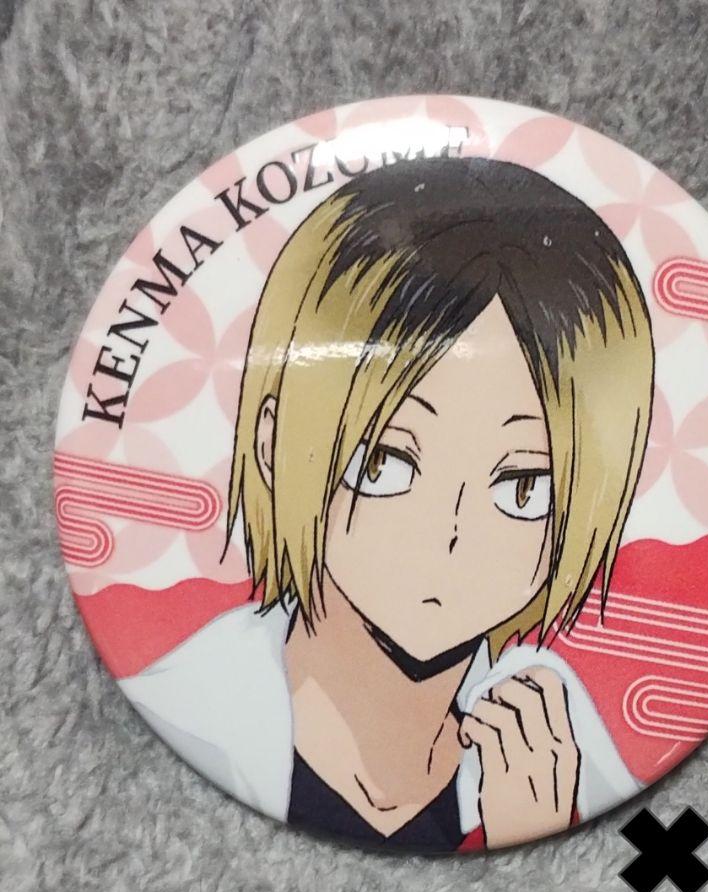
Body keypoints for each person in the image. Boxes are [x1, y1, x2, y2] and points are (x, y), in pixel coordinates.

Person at [121, 156, 656, 852]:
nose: (451, 535)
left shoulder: (557, 738)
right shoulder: (183, 717)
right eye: (384, 463)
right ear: (274, 445)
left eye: (523, 487)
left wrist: (536, 837)